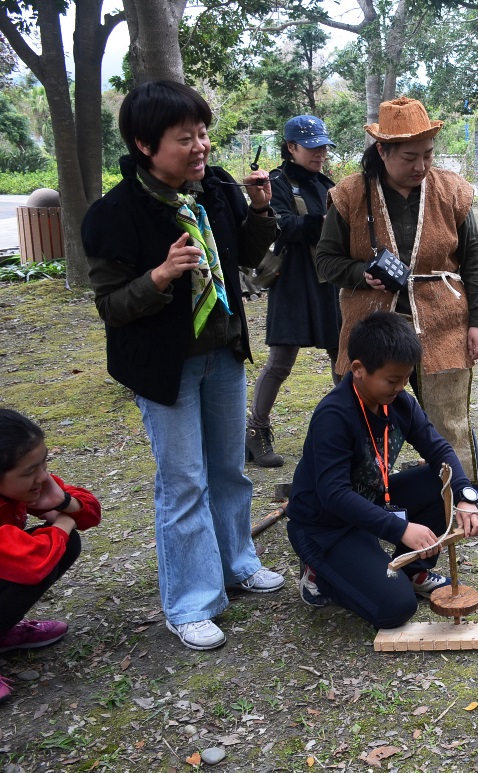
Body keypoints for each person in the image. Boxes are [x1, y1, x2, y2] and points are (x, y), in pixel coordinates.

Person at [82, 81, 285, 652]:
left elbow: (246, 255)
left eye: (202, 134)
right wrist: (161, 276)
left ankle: (238, 563)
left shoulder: (214, 189)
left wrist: (261, 211)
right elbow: (111, 306)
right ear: (145, 145)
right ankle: (189, 603)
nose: (200, 147)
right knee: (183, 483)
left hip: (221, 352)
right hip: (163, 368)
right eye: (184, 139)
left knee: (227, 470)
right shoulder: (114, 215)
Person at [313, 97, 478, 539]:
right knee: (366, 422)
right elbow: (325, 261)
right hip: (373, 329)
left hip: (442, 322)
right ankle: (363, 506)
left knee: (449, 418)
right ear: (383, 152)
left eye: (428, 155)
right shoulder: (349, 195)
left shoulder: (452, 191)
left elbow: (473, 260)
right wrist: (362, 273)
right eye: (410, 157)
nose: (421, 166)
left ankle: (467, 503)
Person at [285, 312, 478, 626]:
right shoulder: (334, 417)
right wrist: (401, 529)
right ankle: (319, 575)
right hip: (325, 527)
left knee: (440, 484)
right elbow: (334, 494)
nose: (400, 387)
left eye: (405, 379)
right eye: (392, 380)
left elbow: (440, 450)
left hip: (370, 504)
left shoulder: (399, 404)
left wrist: (464, 496)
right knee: (395, 609)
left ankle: (412, 571)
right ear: (358, 370)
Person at [245, 115, 341, 468]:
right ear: (291, 148)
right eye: (312, 147)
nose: (319, 153)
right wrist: (324, 224)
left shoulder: (326, 183)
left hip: (328, 281)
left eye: (323, 147)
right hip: (292, 282)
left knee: (341, 355)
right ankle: (255, 433)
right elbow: (279, 225)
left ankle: (351, 428)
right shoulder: (276, 182)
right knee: (281, 361)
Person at [0, 410, 101, 702]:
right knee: (47, 550)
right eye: (30, 471)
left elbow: (92, 513)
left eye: (44, 462)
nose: (42, 476)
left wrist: (64, 502)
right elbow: (32, 564)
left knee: (65, 545)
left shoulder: (18, 488)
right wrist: (65, 521)